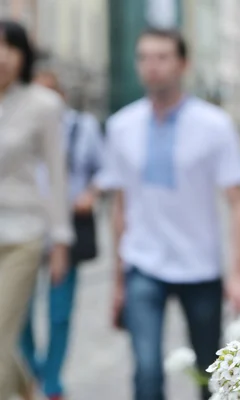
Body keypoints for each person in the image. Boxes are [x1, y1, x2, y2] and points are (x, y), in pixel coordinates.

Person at [95, 28, 240, 400]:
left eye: (163, 57)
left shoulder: (214, 125)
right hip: (143, 263)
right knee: (146, 371)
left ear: (183, 63)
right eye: (145, 57)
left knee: (209, 372)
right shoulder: (121, 126)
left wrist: (238, 274)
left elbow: (238, 201)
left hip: (200, 265)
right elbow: (121, 205)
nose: (153, 66)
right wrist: (118, 282)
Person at [19, 70, 104, 400]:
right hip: (24, 229)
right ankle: (34, 372)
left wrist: (90, 194)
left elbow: (105, 169)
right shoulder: (14, 124)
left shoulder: (82, 128)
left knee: (59, 311)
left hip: (65, 228)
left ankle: (51, 381)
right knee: (17, 311)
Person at [0, 20, 72, 399]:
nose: (2, 56)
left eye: (9, 47)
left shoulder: (43, 105)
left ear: (23, 54)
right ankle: (28, 389)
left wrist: (60, 241)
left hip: (22, 235)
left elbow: (58, 177)